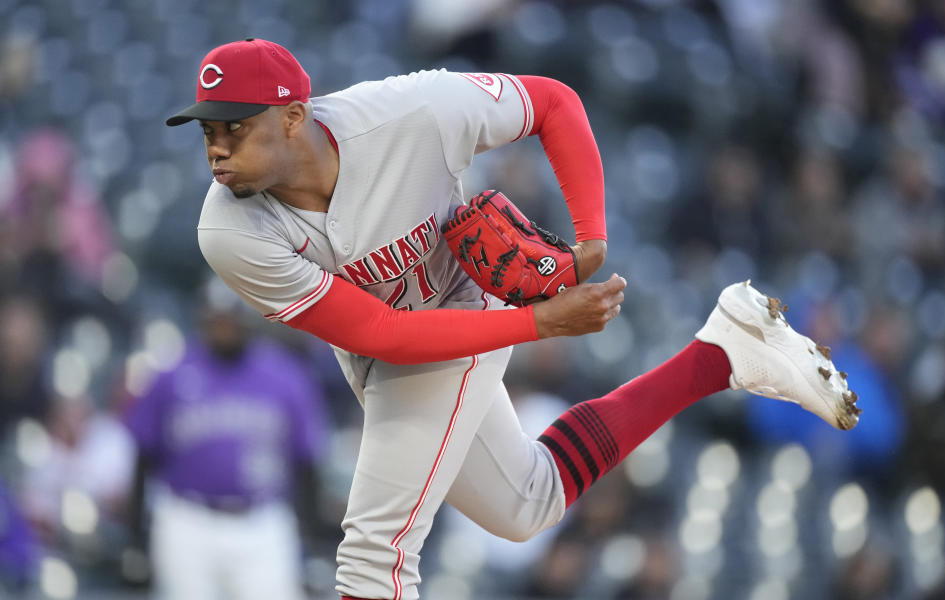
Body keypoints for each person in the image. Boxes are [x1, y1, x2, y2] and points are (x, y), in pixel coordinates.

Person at [165, 38, 861, 600]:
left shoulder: (413, 113)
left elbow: (552, 102)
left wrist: (590, 236)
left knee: (374, 556)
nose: (216, 149)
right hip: (394, 349)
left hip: (465, 301)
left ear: (293, 117)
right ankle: (722, 354)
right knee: (527, 502)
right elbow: (384, 336)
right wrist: (543, 326)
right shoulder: (230, 232)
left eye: (235, 127)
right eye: (207, 131)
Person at [123, 283, 329, 600]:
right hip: (187, 519)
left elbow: (307, 463)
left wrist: (312, 541)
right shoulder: (173, 374)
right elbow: (143, 457)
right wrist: (136, 539)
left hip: (261, 520)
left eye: (230, 320)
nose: (223, 328)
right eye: (216, 319)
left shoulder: (284, 376)